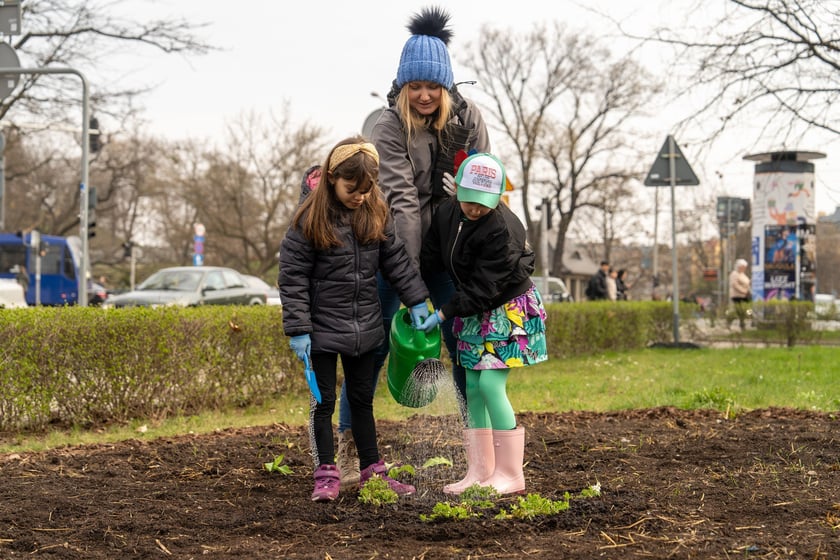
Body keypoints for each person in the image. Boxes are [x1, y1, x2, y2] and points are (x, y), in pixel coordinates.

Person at [335, 5, 491, 489]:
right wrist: (410, 286)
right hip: (387, 254)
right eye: (414, 86)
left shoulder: (469, 121)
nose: (423, 95)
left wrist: (468, 213)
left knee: (464, 351)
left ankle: (480, 460)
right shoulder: (387, 126)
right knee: (370, 348)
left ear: (446, 87)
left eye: (432, 86)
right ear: (402, 87)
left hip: (448, 255)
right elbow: (400, 203)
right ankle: (346, 456)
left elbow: (485, 186)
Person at [278, 136, 431, 502]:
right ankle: (326, 474)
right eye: (352, 188)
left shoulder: (376, 211)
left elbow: (396, 262)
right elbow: (292, 276)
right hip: (321, 330)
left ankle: (372, 472)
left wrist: (417, 300)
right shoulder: (309, 217)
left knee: (362, 401)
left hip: (365, 326)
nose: (360, 196)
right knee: (324, 403)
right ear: (332, 177)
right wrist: (299, 329)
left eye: (367, 188)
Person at [418, 153, 547, 496]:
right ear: (457, 189)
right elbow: (430, 255)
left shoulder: (503, 229)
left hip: (507, 310)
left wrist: (443, 313)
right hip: (475, 310)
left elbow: (484, 287)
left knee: (490, 385)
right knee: (472, 388)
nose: (475, 209)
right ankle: (480, 470)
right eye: (470, 201)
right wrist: (415, 295)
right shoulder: (447, 212)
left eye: (483, 204)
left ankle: (510, 474)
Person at [729, 258, 751, 329]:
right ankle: (740, 322)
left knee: (746, 309)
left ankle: (744, 320)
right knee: (739, 310)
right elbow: (735, 285)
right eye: (743, 267)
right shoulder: (734, 274)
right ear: (739, 266)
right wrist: (743, 291)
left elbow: (747, 283)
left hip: (745, 295)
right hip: (737, 295)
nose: (744, 268)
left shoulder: (743, 274)